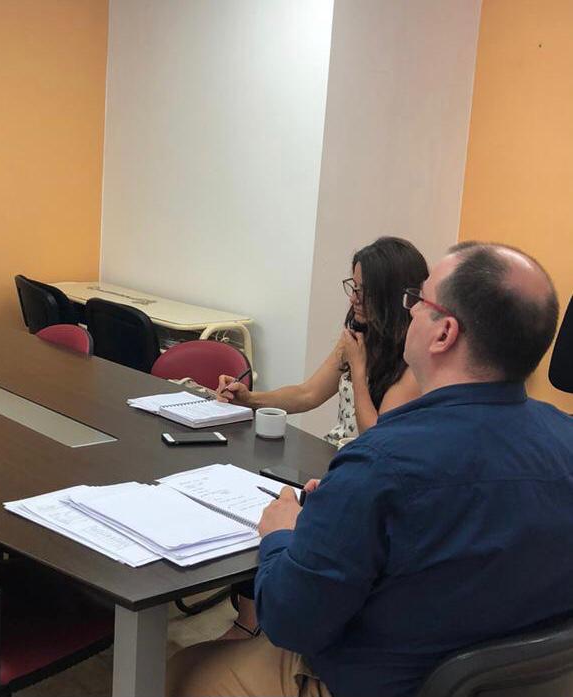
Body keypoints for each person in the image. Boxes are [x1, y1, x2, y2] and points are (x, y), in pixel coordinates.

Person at [167, 242, 573, 697]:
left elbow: (289, 621)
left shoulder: (382, 463)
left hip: (374, 680)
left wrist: (283, 533)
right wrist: (339, 512)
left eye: (419, 301)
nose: (410, 312)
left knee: (181, 670)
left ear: (444, 335)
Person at [215, 236, 428, 640]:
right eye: (352, 287)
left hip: (365, 471)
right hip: (332, 460)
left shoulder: (411, 362)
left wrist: (361, 368)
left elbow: (380, 440)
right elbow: (308, 393)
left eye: (363, 290)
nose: (354, 300)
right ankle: (250, 613)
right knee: (259, 492)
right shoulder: (356, 336)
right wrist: (251, 399)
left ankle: (256, 621)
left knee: (286, 512)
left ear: (389, 294)